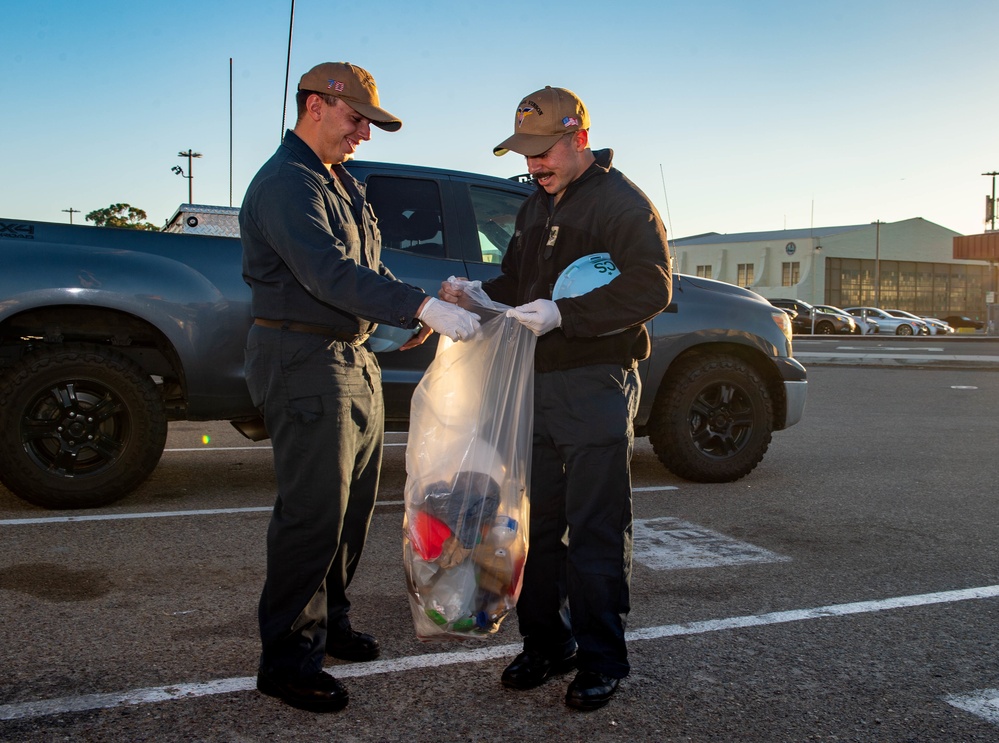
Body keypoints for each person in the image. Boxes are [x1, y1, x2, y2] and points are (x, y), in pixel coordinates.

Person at [240, 61, 480, 714]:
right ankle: (287, 659)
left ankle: (330, 622)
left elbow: (366, 269)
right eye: (356, 119)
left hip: (349, 357)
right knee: (312, 514)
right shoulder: (288, 183)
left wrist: (411, 311)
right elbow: (325, 270)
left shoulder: (336, 181)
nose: (363, 136)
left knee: (349, 512)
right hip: (303, 359)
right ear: (316, 105)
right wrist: (420, 308)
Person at [441, 85, 672, 711]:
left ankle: (603, 658)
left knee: (595, 527)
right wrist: (476, 294)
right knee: (534, 525)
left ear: (579, 140)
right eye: (525, 153)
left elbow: (654, 285)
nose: (533, 165)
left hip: (595, 381)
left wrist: (568, 314)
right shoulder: (533, 206)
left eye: (543, 152)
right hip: (535, 382)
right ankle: (547, 643)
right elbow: (517, 279)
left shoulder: (623, 204)